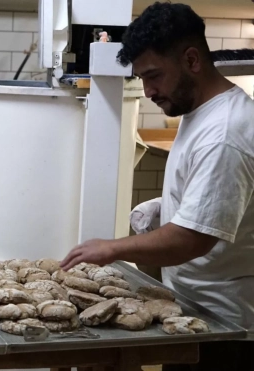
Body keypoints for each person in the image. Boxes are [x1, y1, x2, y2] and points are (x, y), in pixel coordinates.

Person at [59, 2, 254, 370]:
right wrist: (167, 206)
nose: (148, 91)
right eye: (142, 79)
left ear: (192, 60)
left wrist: (111, 249)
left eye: (154, 76)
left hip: (226, 329)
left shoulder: (224, 133)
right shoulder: (198, 111)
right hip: (191, 312)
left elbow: (192, 239)